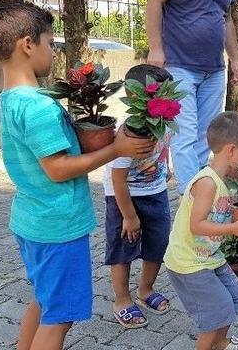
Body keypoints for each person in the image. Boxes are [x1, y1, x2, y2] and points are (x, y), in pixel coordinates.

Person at [0, 0, 153, 350]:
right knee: (60, 316)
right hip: (57, 225)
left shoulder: (11, 99)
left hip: (32, 220)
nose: (53, 50)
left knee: (45, 300)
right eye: (50, 42)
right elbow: (57, 169)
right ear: (27, 44)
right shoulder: (39, 106)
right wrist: (116, 150)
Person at [146, 0, 238, 194]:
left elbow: (227, 19)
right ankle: (191, 200)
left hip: (214, 70)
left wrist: (235, 59)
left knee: (206, 137)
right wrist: (156, 48)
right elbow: (155, 1)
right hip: (179, 65)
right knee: (185, 135)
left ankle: (200, 194)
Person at [164, 112, 238, 350]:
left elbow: (219, 213)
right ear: (231, 150)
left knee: (236, 294)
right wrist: (234, 228)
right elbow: (196, 225)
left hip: (208, 257)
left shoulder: (223, 181)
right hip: (189, 262)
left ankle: (220, 343)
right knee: (216, 311)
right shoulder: (207, 183)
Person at [102, 64, 175, 328]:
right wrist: (129, 216)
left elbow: (165, 147)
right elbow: (117, 178)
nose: (167, 100)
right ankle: (122, 299)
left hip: (156, 192)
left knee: (158, 242)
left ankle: (146, 290)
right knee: (123, 246)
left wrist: (167, 167)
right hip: (124, 196)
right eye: (160, 94)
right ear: (137, 97)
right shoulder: (129, 132)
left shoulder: (164, 122)